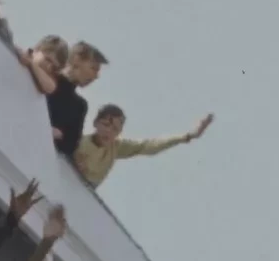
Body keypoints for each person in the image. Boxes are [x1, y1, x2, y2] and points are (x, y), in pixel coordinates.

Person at [73, 106, 214, 188]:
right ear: (96, 123)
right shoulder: (78, 142)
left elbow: (149, 146)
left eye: (115, 129)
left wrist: (187, 136)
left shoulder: (116, 147)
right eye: (106, 125)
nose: (109, 132)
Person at [20, 38, 107, 157]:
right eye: (93, 68)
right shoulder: (43, 73)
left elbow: (70, 147)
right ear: (76, 60)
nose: (96, 76)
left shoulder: (79, 106)